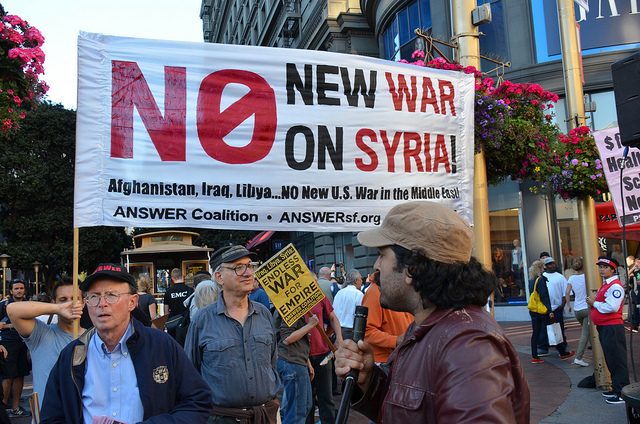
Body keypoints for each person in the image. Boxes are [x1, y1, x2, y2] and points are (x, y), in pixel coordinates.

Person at [335, 201, 530, 423]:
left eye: (382, 255)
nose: (376, 266)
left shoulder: (467, 344)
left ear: (412, 270)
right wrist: (369, 380)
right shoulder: (430, 327)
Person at [40, 263, 213, 423]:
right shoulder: (72, 356)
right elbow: (51, 416)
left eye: (111, 295)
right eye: (94, 296)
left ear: (132, 302)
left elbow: (198, 401)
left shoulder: (162, 346)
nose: (102, 304)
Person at [185, 245, 281, 423]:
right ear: (219, 277)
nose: (248, 273)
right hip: (222, 418)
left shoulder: (264, 314)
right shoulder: (202, 320)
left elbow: (271, 362)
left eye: (250, 266)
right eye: (238, 267)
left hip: (264, 416)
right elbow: (190, 373)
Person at [7, 277, 85, 412]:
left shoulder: (94, 339)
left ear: (83, 303)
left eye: (75, 299)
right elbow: (13, 310)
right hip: (46, 418)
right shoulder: (41, 334)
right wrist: (57, 309)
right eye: (63, 300)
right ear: (54, 303)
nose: (70, 304)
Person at [586, 256, 630, 405]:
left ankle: (621, 392)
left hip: (612, 328)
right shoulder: (606, 285)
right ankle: (617, 388)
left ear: (612, 269)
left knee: (617, 359)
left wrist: (595, 303)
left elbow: (612, 307)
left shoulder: (615, 286)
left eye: (605, 267)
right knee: (612, 358)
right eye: (600, 267)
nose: (601, 269)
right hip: (606, 327)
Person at [273, 311, 318, 424]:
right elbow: (287, 338)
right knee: (297, 412)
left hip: (298, 361)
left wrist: (307, 361)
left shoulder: (296, 310)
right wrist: (310, 325)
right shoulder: (290, 310)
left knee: (305, 405)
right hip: (292, 362)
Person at [361, 271, 413, 364]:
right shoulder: (376, 291)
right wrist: (395, 340)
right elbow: (366, 330)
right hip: (385, 362)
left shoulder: (405, 289)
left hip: (404, 358)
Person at [306, 296, 342, 424]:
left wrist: (338, 337)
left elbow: (332, 317)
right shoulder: (290, 299)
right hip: (302, 356)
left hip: (322, 353)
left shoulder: (318, 295)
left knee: (326, 396)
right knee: (306, 400)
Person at [0, 279, 31, 417]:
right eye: (16, 288)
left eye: (21, 288)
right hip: (8, 344)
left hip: (24, 342)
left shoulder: (28, 305)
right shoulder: (3, 305)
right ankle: (2, 408)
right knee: (8, 376)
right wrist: (10, 326)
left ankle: (16, 407)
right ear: (11, 291)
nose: (19, 290)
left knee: (20, 374)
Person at [542, 257, 575, 360]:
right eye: (550, 264)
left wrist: (562, 306)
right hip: (545, 309)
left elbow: (566, 292)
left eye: (553, 263)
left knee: (559, 328)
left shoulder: (560, 277)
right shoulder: (542, 277)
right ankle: (543, 347)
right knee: (544, 328)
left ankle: (561, 349)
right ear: (545, 266)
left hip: (557, 308)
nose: (553, 266)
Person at [565, 257, 590, 366]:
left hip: (577, 309)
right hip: (587, 308)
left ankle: (596, 349)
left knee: (587, 331)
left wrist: (569, 306)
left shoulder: (571, 278)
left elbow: (567, 293)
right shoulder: (587, 277)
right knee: (586, 333)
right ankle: (578, 357)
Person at [529, 260, 551, 363]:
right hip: (541, 310)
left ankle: (534, 355)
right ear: (539, 268)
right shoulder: (540, 280)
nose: (544, 269)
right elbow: (543, 296)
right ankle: (562, 351)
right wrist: (549, 310)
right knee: (552, 327)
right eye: (542, 267)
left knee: (536, 332)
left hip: (533, 310)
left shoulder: (531, 280)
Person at [332, 269, 364, 341]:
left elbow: (333, 310)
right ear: (355, 281)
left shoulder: (339, 293)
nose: (362, 281)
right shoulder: (358, 294)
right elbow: (360, 314)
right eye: (360, 279)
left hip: (338, 329)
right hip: (351, 330)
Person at [164, 268, 194, 338]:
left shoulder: (168, 292)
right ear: (182, 276)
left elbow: (166, 312)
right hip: (187, 323)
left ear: (172, 279)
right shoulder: (190, 290)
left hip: (173, 324)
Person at [626, 256, 639, 333]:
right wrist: (634, 268)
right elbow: (628, 274)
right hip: (637, 291)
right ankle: (635, 325)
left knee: (637, 309)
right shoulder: (636, 271)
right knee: (637, 309)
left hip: (637, 292)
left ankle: (635, 325)